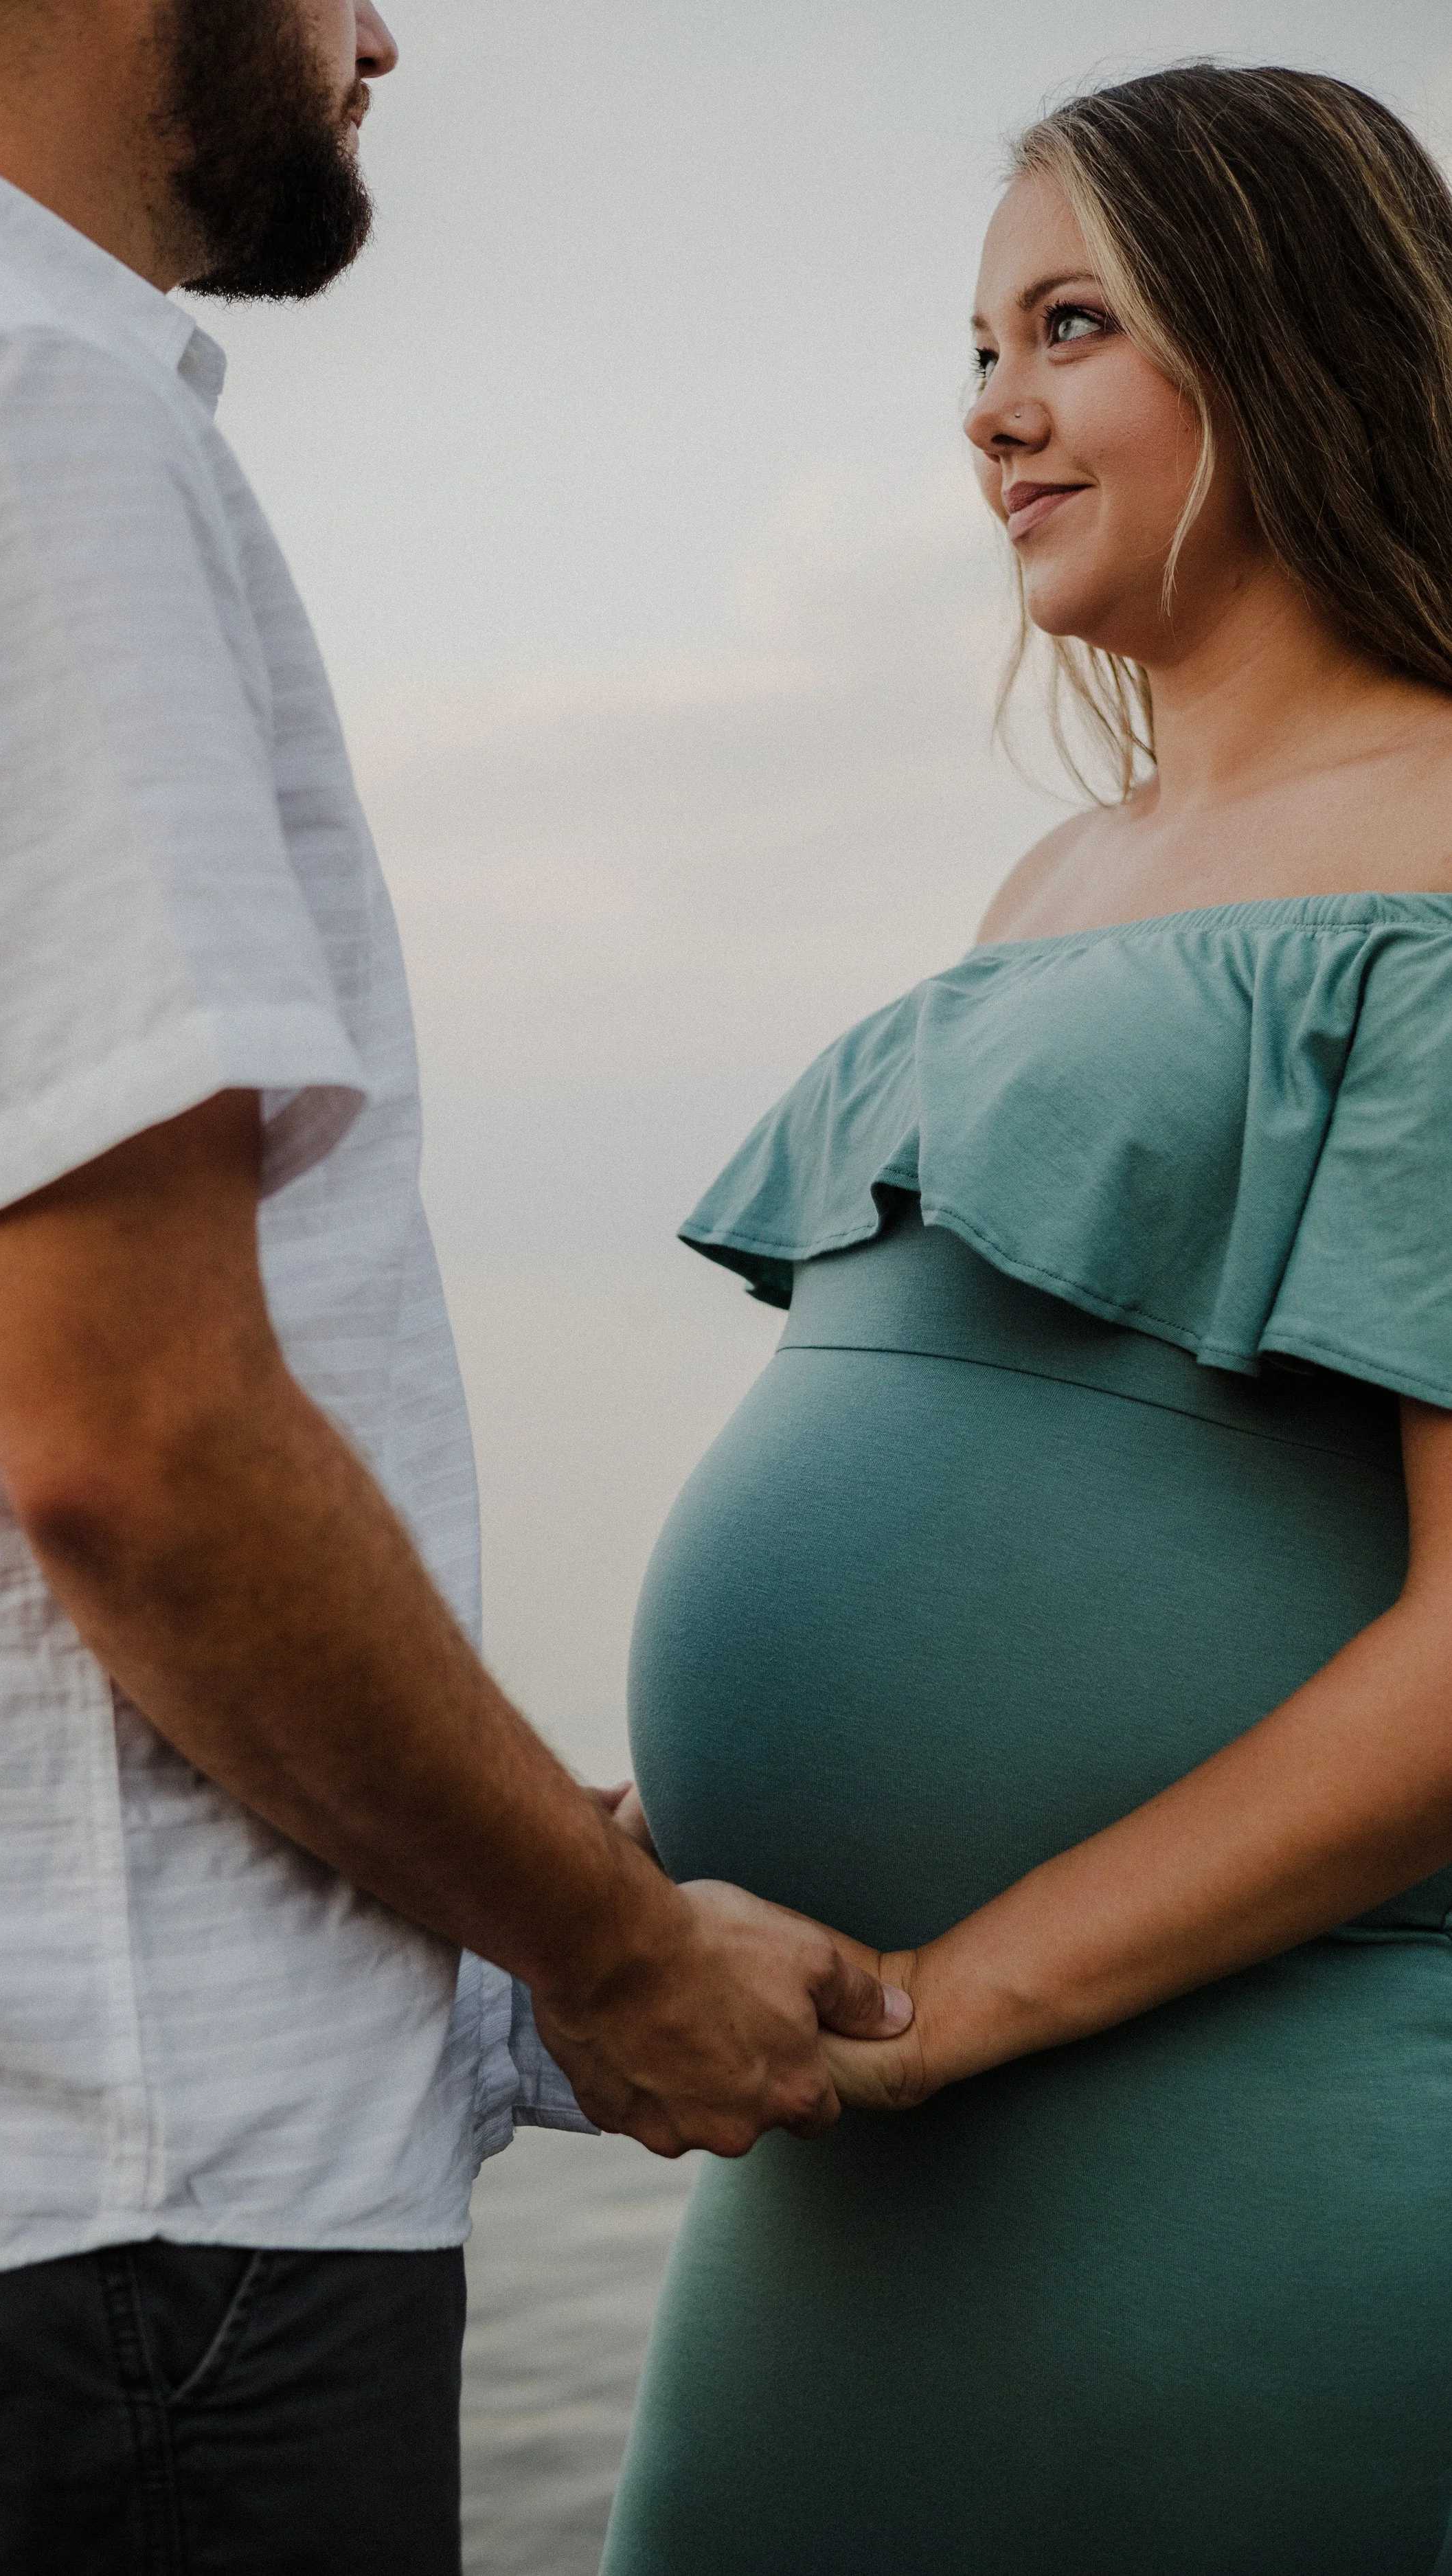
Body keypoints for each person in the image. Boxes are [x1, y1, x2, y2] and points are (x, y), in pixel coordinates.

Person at [0, 4, 912, 2569]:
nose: (383, 30)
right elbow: (135, 1447)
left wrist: (488, 1897)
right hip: (103, 2231)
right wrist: (605, 1950)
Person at [598, 61, 1452, 2576]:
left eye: (1068, 328)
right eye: (975, 349)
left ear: (1284, 337)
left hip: (1226, 2134)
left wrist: (941, 2001)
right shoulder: (1045, 882)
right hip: (844, 2163)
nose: (989, 413)